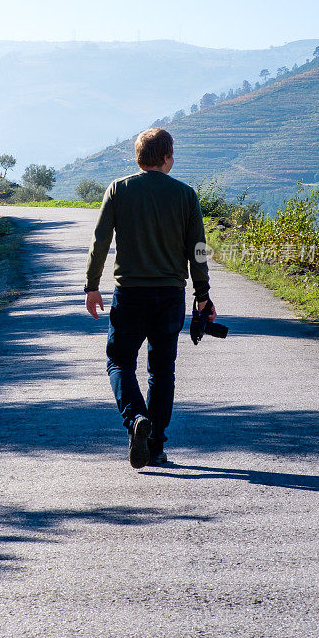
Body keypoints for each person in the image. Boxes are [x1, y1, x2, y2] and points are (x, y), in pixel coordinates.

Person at [84, 127, 217, 468]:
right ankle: (155, 444)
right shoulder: (185, 195)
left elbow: (100, 241)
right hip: (170, 294)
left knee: (120, 362)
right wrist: (203, 295)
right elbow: (198, 250)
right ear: (167, 157)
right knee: (161, 371)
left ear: (139, 157)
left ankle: (135, 419)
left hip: (129, 294)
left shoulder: (119, 189)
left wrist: (92, 286)